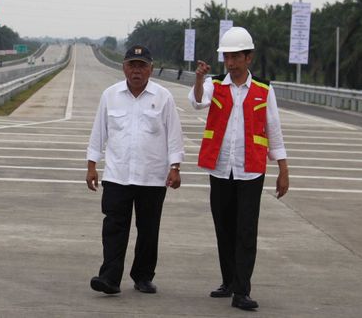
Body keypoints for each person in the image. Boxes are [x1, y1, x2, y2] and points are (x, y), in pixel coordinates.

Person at [189, 26, 289, 311]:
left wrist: (283, 169)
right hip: (220, 168)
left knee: (246, 231)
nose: (230, 63)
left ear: (249, 58)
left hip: (250, 170)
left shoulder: (264, 90)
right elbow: (197, 102)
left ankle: (242, 291)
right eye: (226, 58)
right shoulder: (215, 84)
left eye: (235, 57)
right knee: (224, 228)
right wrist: (198, 79)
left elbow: (275, 130)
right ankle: (229, 281)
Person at [86, 45, 184, 296]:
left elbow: (174, 136)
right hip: (117, 175)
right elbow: (99, 132)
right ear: (124, 68)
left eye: (142, 65)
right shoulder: (110, 95)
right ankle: (109, 278)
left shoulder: (163, 97)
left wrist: (175, 167)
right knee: (114, 228)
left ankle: (143, 276)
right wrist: (92, 165)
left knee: (148, 230)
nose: (136, 70)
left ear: (151, 69)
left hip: (152, 176)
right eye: (132, 65)